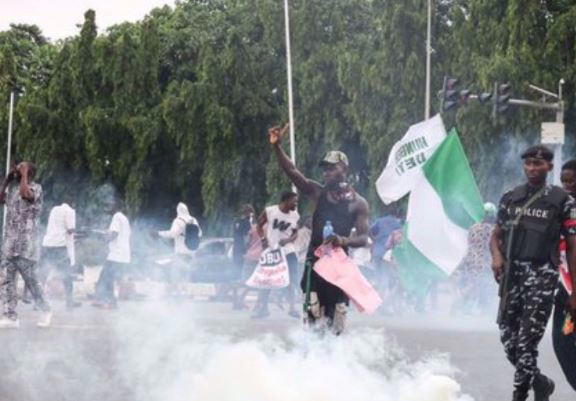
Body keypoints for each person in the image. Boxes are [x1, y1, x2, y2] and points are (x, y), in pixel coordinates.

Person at [490, 145, 576, 401]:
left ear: (549, 167)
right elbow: (496, 235)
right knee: (510, 342)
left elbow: (572, 247)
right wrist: (496, 256)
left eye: (538, 164)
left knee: (527, 342)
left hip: (542, 277)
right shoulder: (510, 197)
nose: (532, 168)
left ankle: (519, 394)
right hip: (511, 277)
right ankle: (539, 382)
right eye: (528, 164)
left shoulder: (563, 202)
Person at [269, 124, 369, 334]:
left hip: (339, 265)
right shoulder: (317, 192)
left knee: (337, 317)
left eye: (332, 168)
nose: (326, 172)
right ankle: (313, 359)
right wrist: (277, 146)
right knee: (313, 312)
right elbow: (292, 171)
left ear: (345, 169)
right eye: (324, 168)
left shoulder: (359, 203)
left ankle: (334, 359)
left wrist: (342, 240)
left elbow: (363, 238)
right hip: (314, 262)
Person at [0, 161, 52, 328]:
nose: (18, 169)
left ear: (29, 172)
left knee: (31, 280)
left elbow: (25, 194)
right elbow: (1, 198)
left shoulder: (35, 188)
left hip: (26, 245)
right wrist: (7, 180)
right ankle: (10, 316)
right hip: (10, 243)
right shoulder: (14, 190)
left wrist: (23, 174)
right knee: (7, 281)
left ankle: (45, 309)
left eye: (22, 167)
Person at [252, 191, 300, 319]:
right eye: (294, 201)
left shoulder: (295, 214)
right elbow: (259, 225)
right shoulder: (270, 211)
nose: (296, 203)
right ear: (285, 200)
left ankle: (292, 308)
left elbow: (296, 233)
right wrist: (263, 239)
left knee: (292, 278)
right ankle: (263, 308)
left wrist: (288, 240)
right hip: (272, 250)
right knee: (267, 280)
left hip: (289, 251)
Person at [552, 159, 576, 391]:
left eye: (572, 180)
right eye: (564, 181)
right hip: (566, 289)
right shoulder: (558, 208)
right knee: (562, 343)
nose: (567, 185)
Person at [451, 202, 497, 315]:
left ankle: (466, 306)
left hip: (470, 260)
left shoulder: (473, 227)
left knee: (474, 284)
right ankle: (462, 306)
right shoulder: (493, 230)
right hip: (483, 262)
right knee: (479, 286)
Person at [40, 198, 81, 309]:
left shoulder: (54, 209)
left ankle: (38, 302)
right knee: (67, 275)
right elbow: (70, 229)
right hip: (59, 247)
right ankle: (69, 302)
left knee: (43, 274)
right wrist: (81, 232)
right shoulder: (70, 211)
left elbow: (58, 228)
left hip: (47, 244)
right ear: (72, 203)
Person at [93, 200, 131, 309]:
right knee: (106, 278)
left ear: (116, 207)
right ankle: (104, 300)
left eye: (110, 205)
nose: (108, 208)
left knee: (106, 278)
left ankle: (110, 302)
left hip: (116, 255)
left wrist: (104, 240)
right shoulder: (124, 219)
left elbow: (114, 234)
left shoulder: (116, 216)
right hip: (122, 255)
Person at [157, 202, 201, 296]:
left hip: (181, 254)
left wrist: (159, 234)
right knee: (185, 277)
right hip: (191, 254)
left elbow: (172, 234)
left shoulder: (178, 220)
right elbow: (200, 234)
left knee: (175, 276)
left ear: (178, 211)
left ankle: (177, 298)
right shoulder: (194, 220)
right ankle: (185, 298)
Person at [231, 204, 254, 310]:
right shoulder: (247, 223)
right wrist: (248, 249)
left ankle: (236, 302)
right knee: (246, 278)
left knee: (236, 277)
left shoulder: (236, 222)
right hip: (243, 253)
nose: (251, 215)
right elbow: (247, 238)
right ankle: (240, 300)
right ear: (248, 213)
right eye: (251, 212)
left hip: (235, 252)